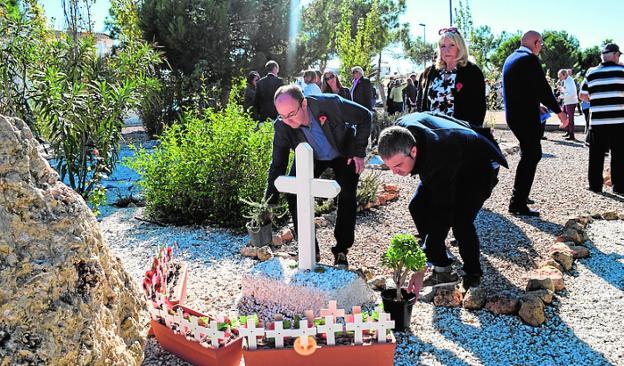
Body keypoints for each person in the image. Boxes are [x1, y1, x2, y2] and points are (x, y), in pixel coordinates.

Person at [378, 112, 507, 290]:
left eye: (398, 166)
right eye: (390, 167)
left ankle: (473, 272)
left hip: (479, 164)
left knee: (460, 219)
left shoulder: (437, 155)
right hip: (454, 153)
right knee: (417, 206)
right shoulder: (399, 132)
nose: (395, 172)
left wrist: (420, 265)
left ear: (413, 151)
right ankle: (442, 267)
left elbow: (442, 213)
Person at [265, 85, 372, 267]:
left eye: (291, 114)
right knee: (293, 192)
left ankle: (341, 250)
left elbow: (365, 117)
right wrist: (268, 203)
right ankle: (309, 249)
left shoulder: (331, 104)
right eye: (282, 116)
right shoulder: (282, 126)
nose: (287, 121)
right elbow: (278, 164)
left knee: (347, 195)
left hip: (342, 151)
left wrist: (359, 152)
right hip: (311, 156)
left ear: (304, 103)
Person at [502, 31, 568, 216]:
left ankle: (522, 194)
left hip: (515, 115)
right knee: (532, 155)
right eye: (541, 44)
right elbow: (543, 88)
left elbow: (523, 88)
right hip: (524, 118)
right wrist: (560, 112)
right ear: (537, 42)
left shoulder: (512, 58)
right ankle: (517, 204)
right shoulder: (528, 59)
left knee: (529, 154)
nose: (541, 48)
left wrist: (536, 104)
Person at [416, 28, 486, 126]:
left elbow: (479, 109)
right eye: (443, 46)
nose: (447, 50)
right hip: (431, 133)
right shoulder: (430, 72)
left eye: (451, 45)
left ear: (459, 47)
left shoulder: (472, 72)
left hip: (459, 133)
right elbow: (421, 104)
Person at [579, 43, 624, 195]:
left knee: (596, 155)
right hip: (619, 121)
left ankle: (595, 186)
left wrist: (598, 100)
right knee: (619, 155)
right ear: (616, 55)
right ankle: (619, 187)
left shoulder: (591, 73)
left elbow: (582, 96)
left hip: (598, 121)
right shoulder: (622, 71)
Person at [558, 69, 579, 140]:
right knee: (563, 115)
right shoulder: (565, 80)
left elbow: (571, 93)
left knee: (570, 119)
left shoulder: (570, 81)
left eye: (560, 76)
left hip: (571, 102)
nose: (559, 78)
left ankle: (571, 135)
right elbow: (565, 91)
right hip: (566, 101)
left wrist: (561, 96)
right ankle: (568, 131)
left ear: (564, 75)